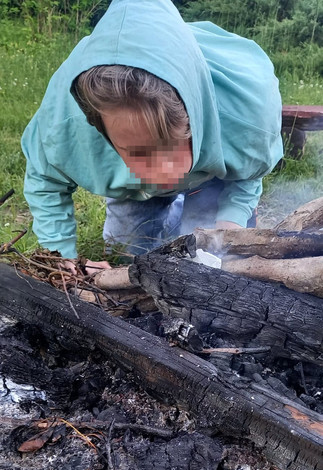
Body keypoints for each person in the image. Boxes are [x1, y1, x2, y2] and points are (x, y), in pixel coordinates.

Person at [21, 0, 283, 275]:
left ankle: (188, 202)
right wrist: (63, 256)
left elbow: (250, 171)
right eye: (137, 152)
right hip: (129, 184)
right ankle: (170, 205)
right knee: (128, 254)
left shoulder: (249, 113)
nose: (161, 175)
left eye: (168, 147)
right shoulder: (63, 127)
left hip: (209, 165)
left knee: (208, 250)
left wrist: (230, 223)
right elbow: (45, 181)